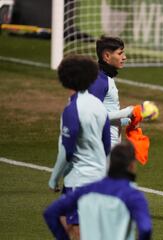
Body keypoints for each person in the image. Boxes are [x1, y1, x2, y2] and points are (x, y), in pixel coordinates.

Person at [48, 55, 111, 238]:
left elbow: (67, 150)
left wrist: (54, 178)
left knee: (77, 229)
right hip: (98, 176)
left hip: (80, 179)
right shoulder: (98, 105)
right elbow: (106, 144)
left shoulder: (72, 109)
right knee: (61, 217)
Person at [44, 142, 152, 240]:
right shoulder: (133, 195)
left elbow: (51, 212)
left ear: (110, 164)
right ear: (132, 165)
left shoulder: (87, 190)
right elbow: (146, 228)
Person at [88, 36, 134, 147]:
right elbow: (92, 115)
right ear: (107, 56)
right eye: (120, 53)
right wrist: (126, 112)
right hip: (102, 144)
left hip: (109, 143)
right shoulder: (99, 81)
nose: (124, 57)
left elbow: (106, 113)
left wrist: (126, 120)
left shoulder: (106, 78)